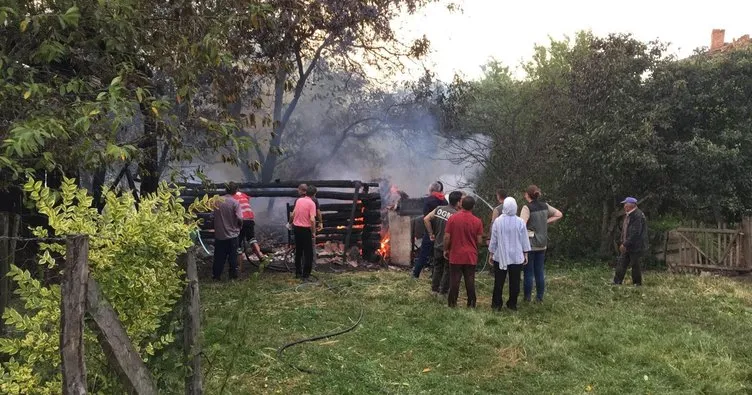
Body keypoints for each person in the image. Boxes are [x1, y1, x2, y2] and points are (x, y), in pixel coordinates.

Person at [520, 185, 563, 303]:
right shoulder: (545, 206)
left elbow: (521, 225)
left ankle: (527, 298)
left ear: (527, 195)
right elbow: (559, 214)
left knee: (528, 272)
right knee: (539, 271)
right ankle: (539, 298)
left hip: (530, 245)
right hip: (542, 244)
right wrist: (546, 221)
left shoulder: (526, 208)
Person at [488, 197, 531, 311]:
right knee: (515, 282)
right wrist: (525, 253)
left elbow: (494, 239)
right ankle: (512, 304)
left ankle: (496, 305)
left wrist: (491, 253)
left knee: (499, 281)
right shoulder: (520, 222)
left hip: (500, 256)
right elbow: (524, 240)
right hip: (516, 257)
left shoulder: (498, 221)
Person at [444, 196, 484, 308]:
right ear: (473, 207)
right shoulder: (477, 221)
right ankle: (471, 303)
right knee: (470, 280)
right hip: (470, 255)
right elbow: (479, 240)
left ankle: (452, 303)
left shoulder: (452, 219)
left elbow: (447, 237)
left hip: (456, 254)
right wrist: (475, 247)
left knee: (454, 281)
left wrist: (446, 249)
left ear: (461, 204)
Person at [424, 190, 464, 297]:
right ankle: (443, 292)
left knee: (437, 268)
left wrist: (431, 233)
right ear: (458, 202)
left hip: (437, 245)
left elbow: (426, 219)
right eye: (462, 200)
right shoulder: (457, 215)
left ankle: (434, 290)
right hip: (449, 247)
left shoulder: (439, 209)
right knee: (447, 270)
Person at [412, 181, 448, 278]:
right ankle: (434, 275)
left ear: (431, 190)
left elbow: (426, 217)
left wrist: (430, 232)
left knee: (424, 254)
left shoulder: (428, 201)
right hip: (441, 232)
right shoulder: (445, 201)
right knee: (437, 254)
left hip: (430, 231)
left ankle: (415, 274)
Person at [613, 197, 648, 286]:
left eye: (626, 204)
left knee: (635, 265)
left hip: (636, 245)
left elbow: (635, 233)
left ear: (631, 205)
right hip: (629, 244)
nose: (624, 206)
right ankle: (617, 282)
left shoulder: (637, 215)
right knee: (621, 263)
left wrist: (625, 243)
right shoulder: (630, 215)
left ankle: (637, 284)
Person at [212, 183, 243, 280]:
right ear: (235, 190)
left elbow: (211, 215)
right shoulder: (235, 203)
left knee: (219, 257)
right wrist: (239, 226)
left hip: (219, 235)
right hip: (232, 235)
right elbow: (240, 218)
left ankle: (216, 276)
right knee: (232, 257)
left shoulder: (217, 201)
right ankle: (233, 276)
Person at [231, 183, 265, 266]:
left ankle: (239, 267)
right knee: (251, 238)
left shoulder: (231, 198)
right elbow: (247, 201)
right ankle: (260, 255)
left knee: (238, 243)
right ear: (238, 189)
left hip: (240, 220)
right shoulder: (244, 195)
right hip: (250, 218)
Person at [291, 184, 317, 281]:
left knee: (298, 251)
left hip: (296, 228)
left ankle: (298, 273)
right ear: (314, 194)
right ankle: (306, 275)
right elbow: (312, 219)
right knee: (308, 253)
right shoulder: (312, 203)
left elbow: (293, 214)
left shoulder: (299, 200)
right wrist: (313, 232)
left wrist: (290, 223)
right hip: (306, 230)